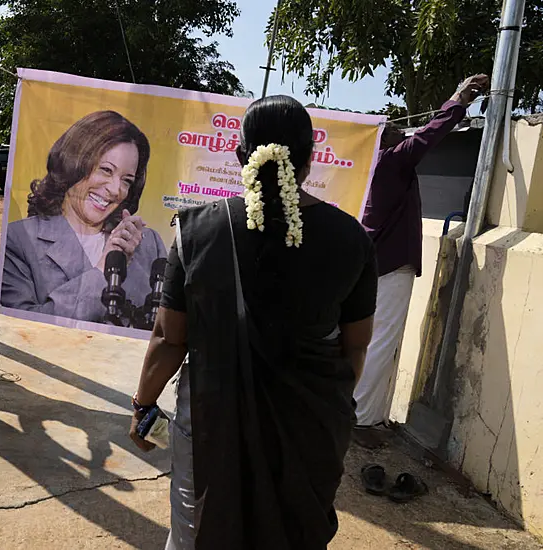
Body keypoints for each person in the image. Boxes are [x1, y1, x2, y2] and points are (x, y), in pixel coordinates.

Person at [129, 95, 378, 549]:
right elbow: (355, 347)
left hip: (212, 422)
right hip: (312, 428)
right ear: (310, 161)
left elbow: (169, 339)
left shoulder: (196, 230)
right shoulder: (352, 240)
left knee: (199, 534)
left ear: (241, 156)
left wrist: (144, 404)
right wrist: (321, 404)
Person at [352, 74, 489, 449]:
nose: (400, 131)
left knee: (372, 340)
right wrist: (459, 98)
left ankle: (369, 414)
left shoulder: (369, 168)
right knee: (381, 341)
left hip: (369, 263)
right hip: (390, 265)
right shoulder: (392, 162)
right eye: (393, 129)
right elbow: (430, 134)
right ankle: (361, 420)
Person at [1, 110, 167, 325]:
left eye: (127, 180)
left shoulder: (149, 243)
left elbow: (163, 326)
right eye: (106, 170)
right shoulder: (19, 239)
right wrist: (102, 272)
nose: (116, 189)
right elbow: (21, 327)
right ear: (73, 163)